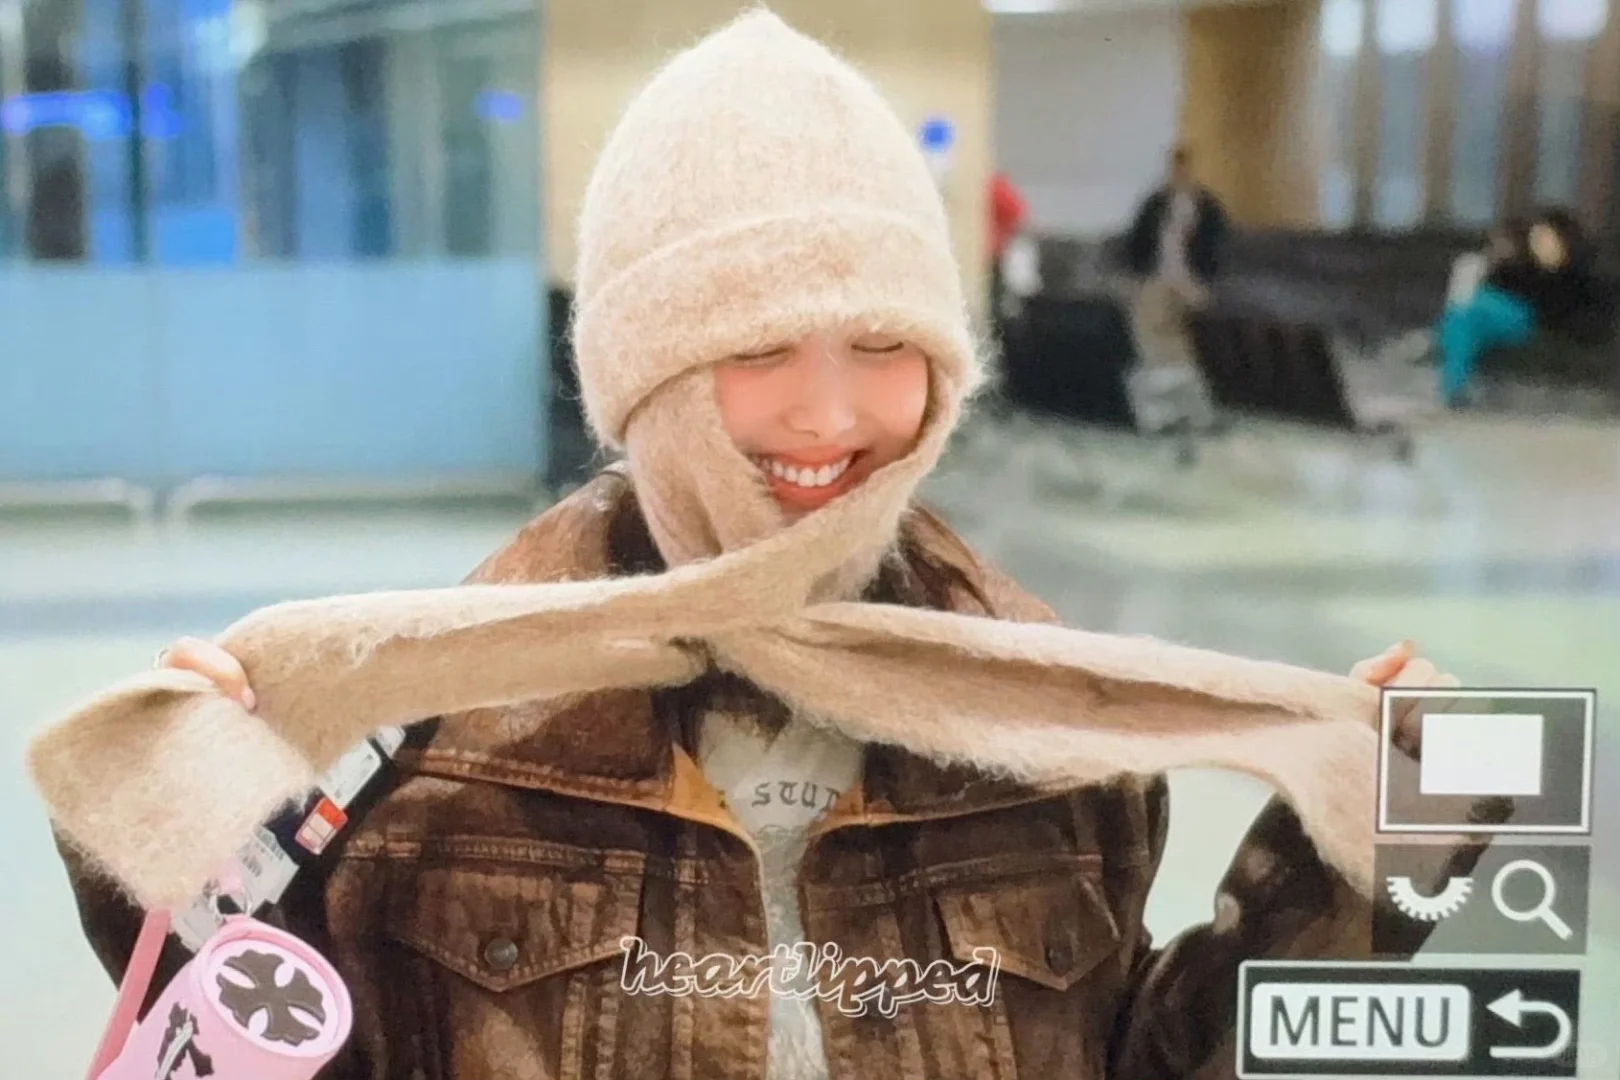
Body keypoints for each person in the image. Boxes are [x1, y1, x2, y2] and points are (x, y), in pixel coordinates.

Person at [42, 14, 1482, 1080]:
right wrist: (176, 829)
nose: (831, 414)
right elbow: (273, 1043)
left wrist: (1379, 844)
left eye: (883, 345)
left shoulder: (1054, 722)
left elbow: (1145, 1060)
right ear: (646, 374)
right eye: (756, 348)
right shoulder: (423, 729)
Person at [1436, 207, 1604, 407]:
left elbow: (1580, 311)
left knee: (1466, 311)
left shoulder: (1576, 276)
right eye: (1536, 238)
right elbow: (1497, 284)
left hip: (1525, 320)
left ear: (1563, 240)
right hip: (1492, 316)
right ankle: (1454, 387)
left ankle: (1453, 385)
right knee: (1462, 317)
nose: (1539, 244)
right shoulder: (1519, 268)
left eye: (1546, 237)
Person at [1121, 146, 1229, 435]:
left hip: (1190, 282)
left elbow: (1217, 250)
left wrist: (1204, 282)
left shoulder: (1207, 208)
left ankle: (1190, 410)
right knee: (1152, 344)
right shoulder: (1155, 204)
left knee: (1178, 346)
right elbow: (1137, 243)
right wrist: (1136, 277)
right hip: (1157, 279)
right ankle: (1163, 412)